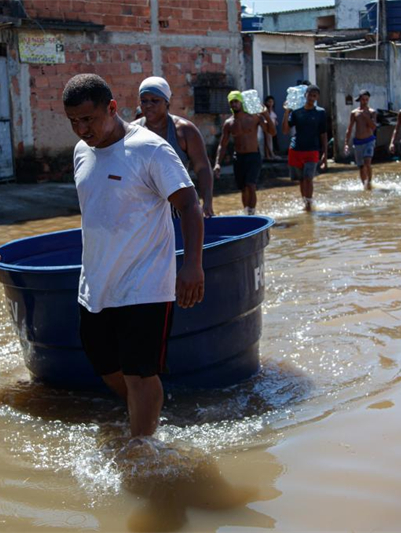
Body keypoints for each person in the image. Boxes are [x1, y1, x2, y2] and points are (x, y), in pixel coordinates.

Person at [62, 74, 204, 437]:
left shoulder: (149, 149)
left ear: (112, 108)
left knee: (140, 373)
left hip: (146, 284)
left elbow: (189, 205)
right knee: (105, 366)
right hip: (96, 283)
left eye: (88, 119)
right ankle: (147, 414)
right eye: (74, 121)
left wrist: (192, 264)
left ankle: (143, 447)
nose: (82, 129)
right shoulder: (81, 151)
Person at [135, 76, 215, 217]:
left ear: (167, 102)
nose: (148, 105)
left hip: (180, 204)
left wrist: (207, 202)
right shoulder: (133, 132)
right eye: (144, 101)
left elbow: (202, 167)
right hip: (146, 207)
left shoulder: (185, 131)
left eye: (155, 100)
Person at [213, 91, 276, 215]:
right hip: (239, 157)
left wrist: (265, 115)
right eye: (231, 102)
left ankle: (252, 212)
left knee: (251, 185)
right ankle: (247, 212)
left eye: (236, 101)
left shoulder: (254, 117)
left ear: (241, 102)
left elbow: (272, 132)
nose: (234, 104)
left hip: (253, 156)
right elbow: (223, 144)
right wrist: (217, 163)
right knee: (243, 188)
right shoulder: (229, 123)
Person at [282, 84, 327, 212]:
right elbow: (285, 130)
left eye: (314, 96)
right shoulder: (296, 112)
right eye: (309, 95)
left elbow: (323, 133)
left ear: (317, 97)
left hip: (312, 150)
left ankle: (309, 205)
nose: (311, 98)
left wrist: (325, 153)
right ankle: (305, 203)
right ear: (305, 95)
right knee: (301, 180)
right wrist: (286, 112)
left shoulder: (320, 112)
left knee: (308, 178)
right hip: (296, 149)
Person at [344, 89, 378, 190]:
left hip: (369, 140)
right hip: (358, 142)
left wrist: (366, 116)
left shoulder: (372, 112)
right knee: (361, 166)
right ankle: (364, 185)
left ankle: (370, 183)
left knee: (367, 163)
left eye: (367, 99)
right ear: (359, 100)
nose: (365, 101)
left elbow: (373, 127)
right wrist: (346, 143)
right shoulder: (354, 113)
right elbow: (349, 128)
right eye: (363, 99)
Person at [262, 95, 279, 161]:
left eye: (272, 102)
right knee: (268, 140)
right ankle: (269, 154)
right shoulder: (266, 110)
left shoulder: (272, 110)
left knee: (270, 141)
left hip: (272, 127)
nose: (271, 103)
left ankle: (270, 154)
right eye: (269, 102)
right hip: (267, 127)